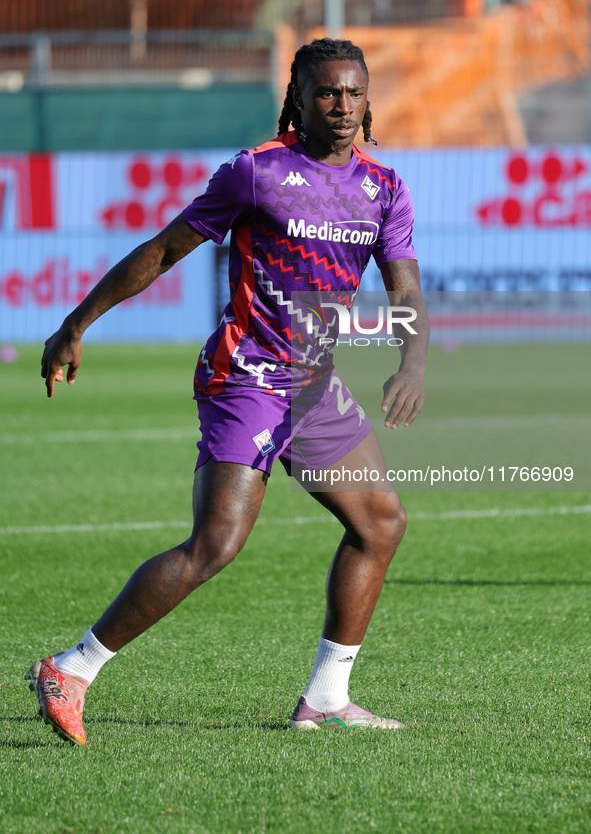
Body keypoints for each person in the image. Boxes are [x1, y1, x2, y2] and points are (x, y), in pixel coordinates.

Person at [28, 38, 429, 744]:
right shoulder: (258, 174)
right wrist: (74, 323)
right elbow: (161, 251)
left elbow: (404, 287)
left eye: (353, 93)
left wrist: (412, 362)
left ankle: (326, 701)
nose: (341, 106)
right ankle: (72, 667)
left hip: (312, 385)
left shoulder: (384, 189)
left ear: (369, 100)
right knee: (215, 544)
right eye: (326, 93)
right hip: (245, 376)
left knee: (380, 525)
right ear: (297, 100)